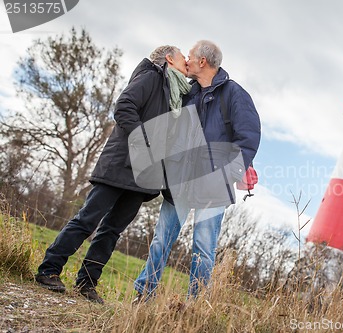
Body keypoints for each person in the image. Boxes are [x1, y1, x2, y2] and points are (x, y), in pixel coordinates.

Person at [35, 45, 190, 304]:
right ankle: (49, 270)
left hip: (143, 177)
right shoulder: (152, 77)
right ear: (168, 59)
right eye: (182, 57)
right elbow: (123, 107)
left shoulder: (174, 93)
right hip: (121, 165)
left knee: (111, 231)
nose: (187, 61)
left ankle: (86, 283)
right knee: (87, 220)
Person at [134, 40, 261, 301]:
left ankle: (195, 305)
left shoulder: (235, 94)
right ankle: (145, 294)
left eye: (190, 56)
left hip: (214, 186)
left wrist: (228, 174)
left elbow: (248, 139)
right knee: (161, 241)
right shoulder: (186, 92)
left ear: (202, 61)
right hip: (179, 180)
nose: (187, 61)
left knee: (203, 249)